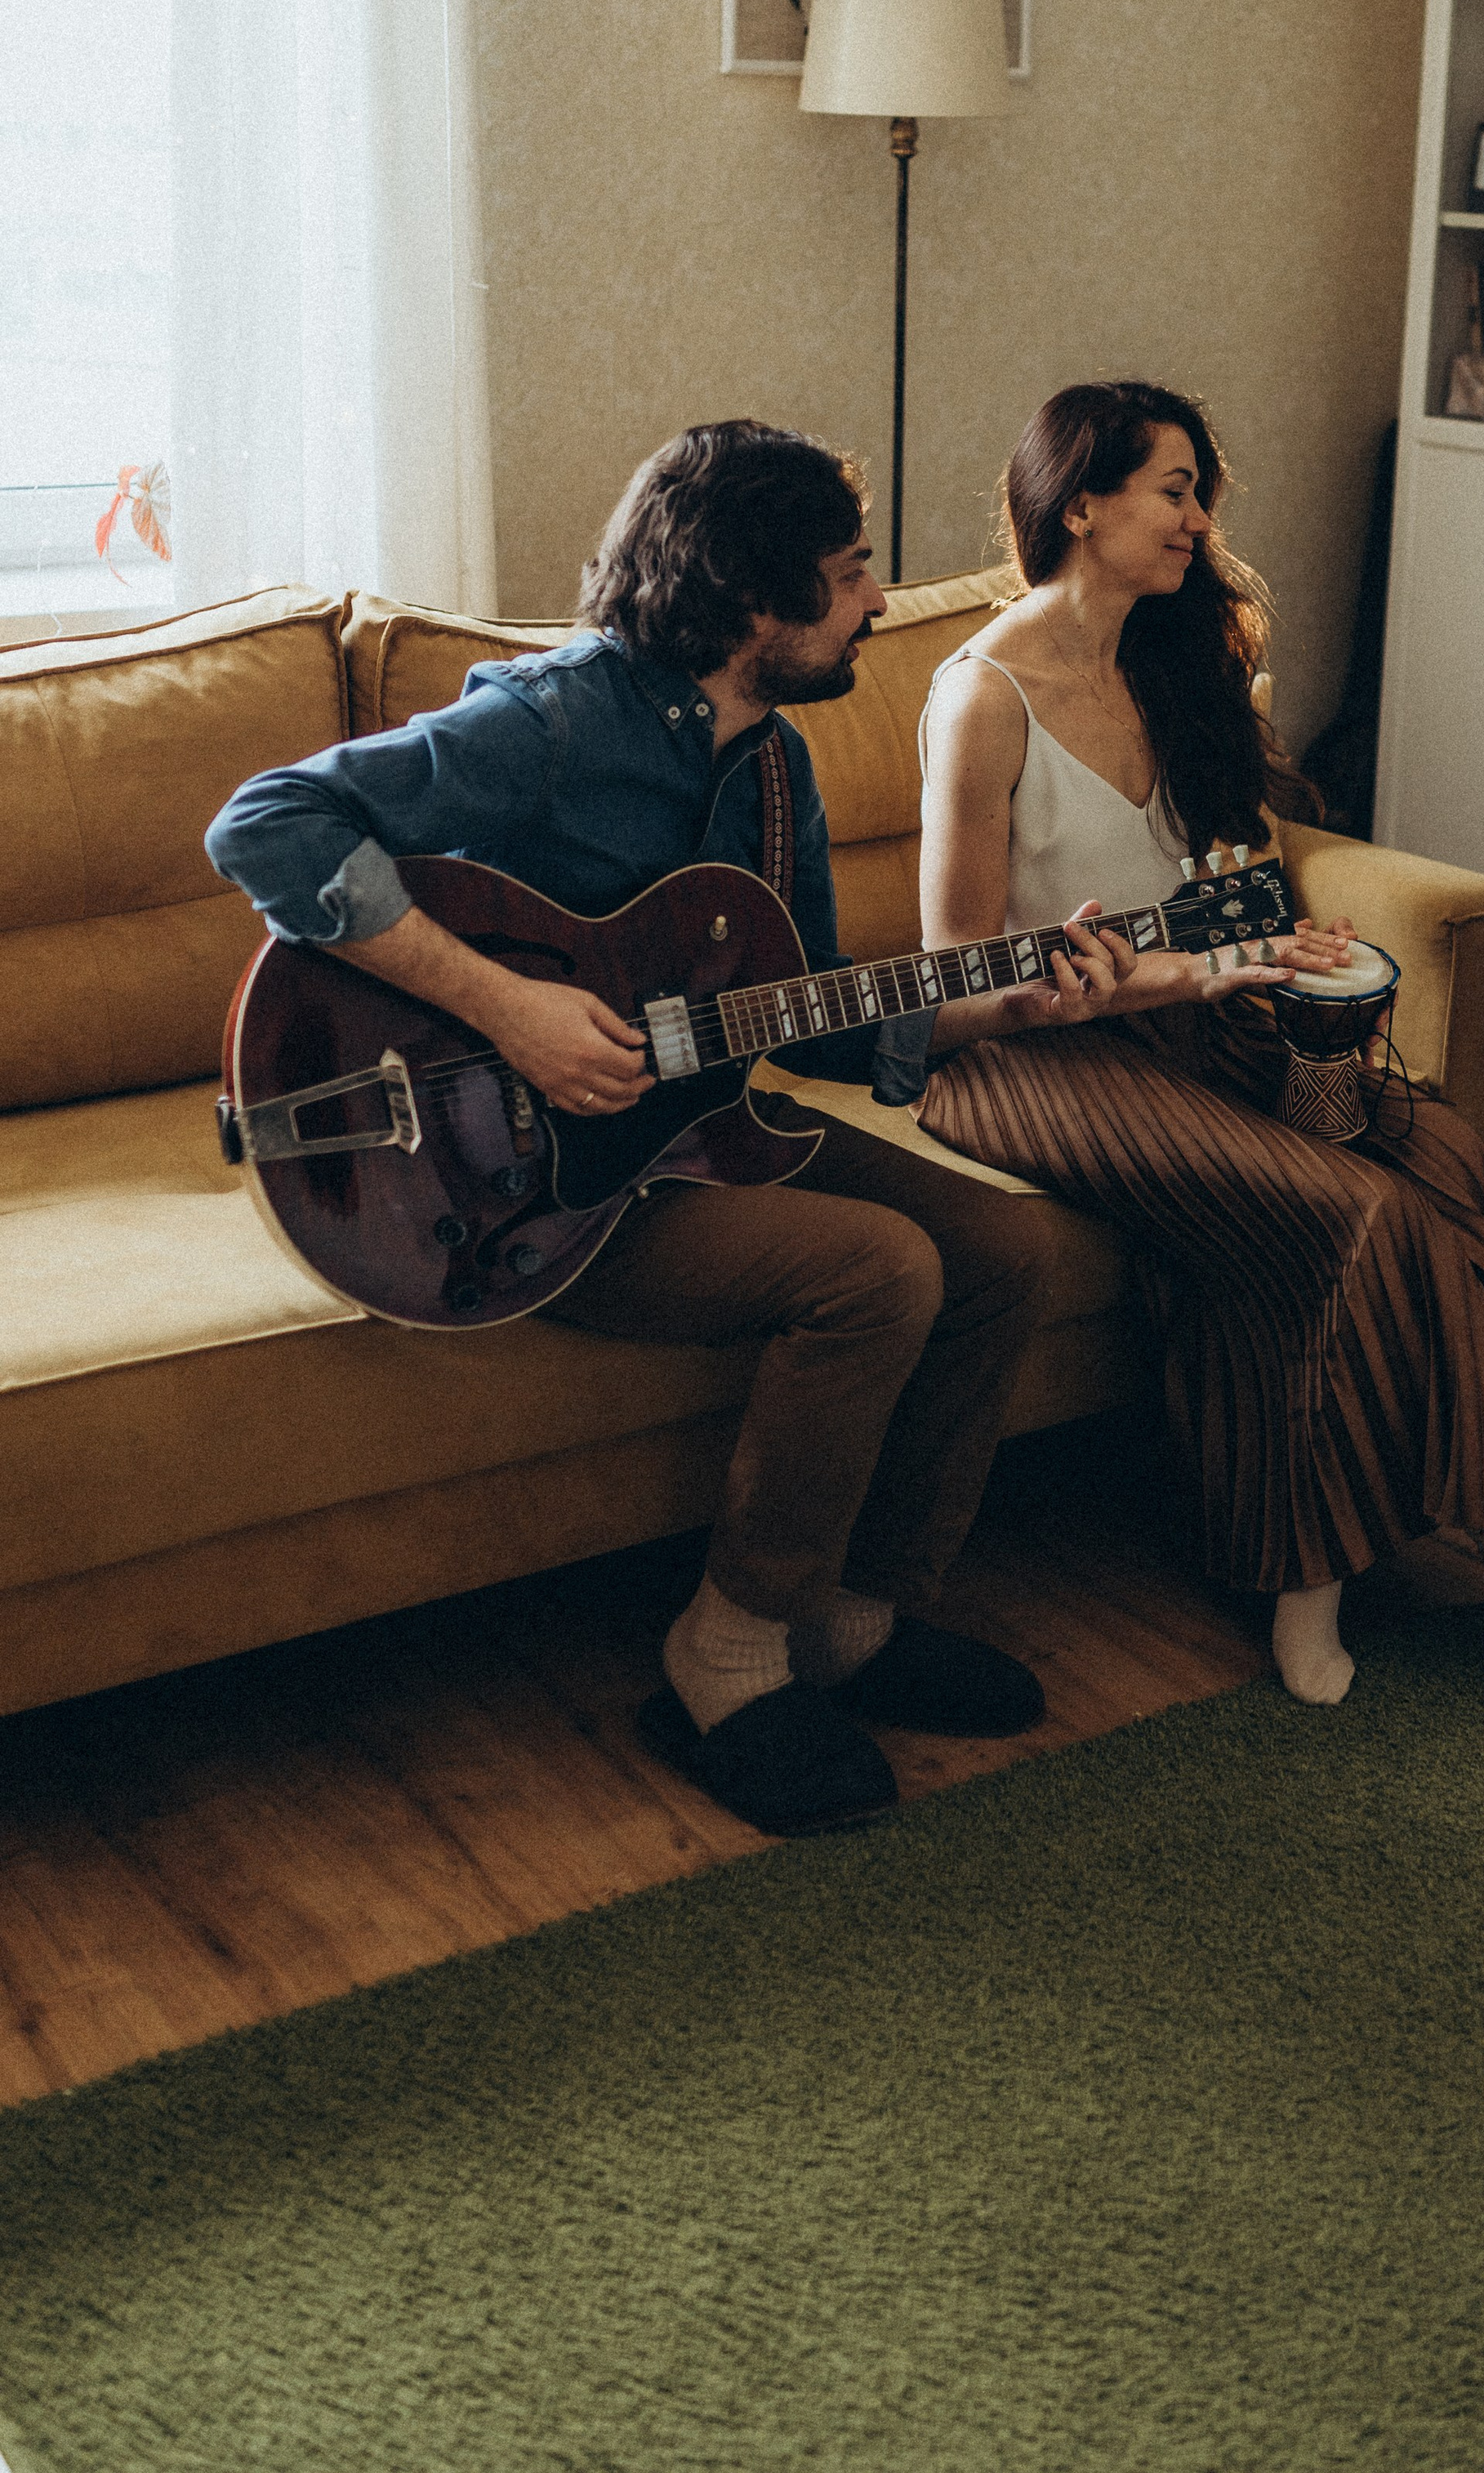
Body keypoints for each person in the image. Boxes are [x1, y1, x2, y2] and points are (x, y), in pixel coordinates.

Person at [206, 420, 1156, 1841]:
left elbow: (810, 1013)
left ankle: (853, 1619)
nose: (880, 600)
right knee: (876, 1267)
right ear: (746, 603)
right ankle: (725, 1650)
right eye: (847, 574)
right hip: (499, 1183)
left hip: (695, 1130)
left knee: (1002, 1242)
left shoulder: (775, 769)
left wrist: (1004, 1001)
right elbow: (265, 823)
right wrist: (507, 1011)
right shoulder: (554, 721)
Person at [915, 378, 1484, 1709]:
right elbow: (946, 981)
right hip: (1032, 1057)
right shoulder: (981, 695)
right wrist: (1137, 979)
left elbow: (1233, 894)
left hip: (1198, 1014)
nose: (1198, 518)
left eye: (1200, 492)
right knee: (1350, 1210)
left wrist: (1295, 958)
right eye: (1176, 488)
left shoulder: (1177, 666)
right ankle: (1364, 1570)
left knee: (1447, 1158)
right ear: (1084, 499)